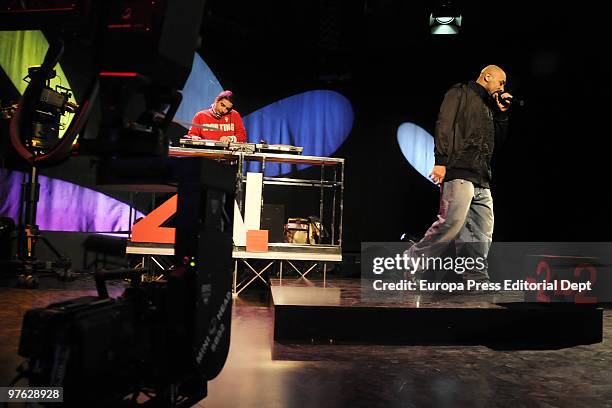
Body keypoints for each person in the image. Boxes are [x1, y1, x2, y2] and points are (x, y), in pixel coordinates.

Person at [406, 65, 512, 285]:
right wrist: (441, 161)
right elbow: (444, 124)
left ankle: (475, 277)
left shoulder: (490, 106)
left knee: (481, 232)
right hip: (460, 170)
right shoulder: (460, 93)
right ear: (487, 76)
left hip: (482, 175)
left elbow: (497, 143)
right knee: (450, 224)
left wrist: (502, 115)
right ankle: (412, 260)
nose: (503, 88)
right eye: (501, 82)